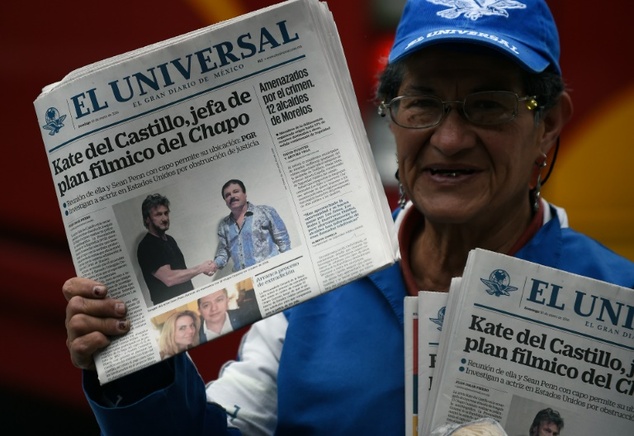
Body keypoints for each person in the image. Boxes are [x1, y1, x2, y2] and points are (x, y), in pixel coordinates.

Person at [62, 1, 634, 434]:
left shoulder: (619, 303)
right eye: (423, 103)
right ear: (391, 114)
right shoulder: (321, 278)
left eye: (489, 105)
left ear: (550, 124)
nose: (451, 138)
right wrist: (135, 361)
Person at [136, 193, 215, 304]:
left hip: (188, 300)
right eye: (158, 215)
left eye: (166, 213)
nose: (164, 218)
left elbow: (180, 273)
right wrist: (201, 268)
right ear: (147, 219)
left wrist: (205, 267)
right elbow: (169, 279)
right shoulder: (147, 245)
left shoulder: (170, 240)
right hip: (172, 307)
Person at [211, 179, 291, 273]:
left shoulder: (265, 212)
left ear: (245, 194)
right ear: (225, 201)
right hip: (244, 278)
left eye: (236, 191)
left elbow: (284, 242)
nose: (232, 196)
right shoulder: (224, 225)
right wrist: (214, 265)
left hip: (270, 273)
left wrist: (288, 266)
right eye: (227, 195)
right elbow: (223, 253)